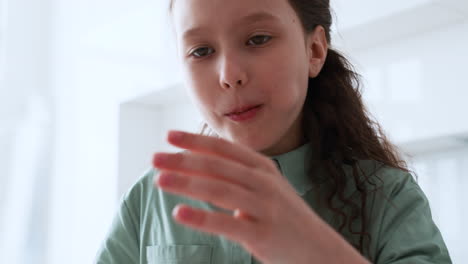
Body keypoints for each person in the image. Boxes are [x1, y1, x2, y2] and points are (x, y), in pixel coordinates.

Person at [95, 0, 452, 263]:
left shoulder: (388, 197)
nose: (229, 74)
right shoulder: (149, 198)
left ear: (314, 50)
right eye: (201, 50)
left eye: (257, 39)